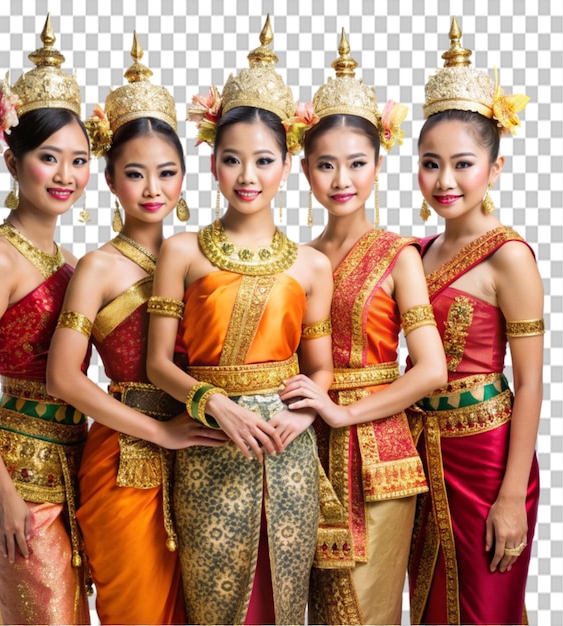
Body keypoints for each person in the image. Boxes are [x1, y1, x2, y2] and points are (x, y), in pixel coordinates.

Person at [146, 16, 334, 625]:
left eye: (263, 161)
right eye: (232, 160)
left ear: (287, 166)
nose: (247, 177)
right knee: (215, 606)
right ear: (213, 165)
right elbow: (157, 362)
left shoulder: (311, 264)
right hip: (207, 446)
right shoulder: (181, 250)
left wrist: (304, 412)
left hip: (289, 450)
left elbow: (321, 367)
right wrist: (214, 403)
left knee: (284, 603)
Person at [45, 33, 228, 625]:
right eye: (135, 174)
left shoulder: (206, 255)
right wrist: (160, 432)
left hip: (208, 446)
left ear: (185, 177)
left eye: (167, 172)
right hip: (123, 456)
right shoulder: (98, 267)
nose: (153, 190)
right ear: (109, 181)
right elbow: (63, 380)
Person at [278, 30, 447, 625]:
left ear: (378, 165)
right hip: (306, 448)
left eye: (356, 163)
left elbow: (431, 368)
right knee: (312, 609)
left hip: (380, 455)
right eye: (326, 164)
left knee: (365, 613)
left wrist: (347, 411)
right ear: (304, 170)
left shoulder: (398, 253)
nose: (341, 178)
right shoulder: (296, 257)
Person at [0, 15, 92, 625]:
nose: (65, 175)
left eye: (79, 160)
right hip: (21, 474)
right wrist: (1, 490)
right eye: (48, 157)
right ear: (14, 163)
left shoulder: (72, 260)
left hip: (75, 460)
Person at [407, 18, 542, 625]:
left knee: (486, 611)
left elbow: (532, 381)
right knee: (430, 606)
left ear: (495, 166)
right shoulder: (416, 250)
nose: (445, 181)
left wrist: (511, 494)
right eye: (431, 164)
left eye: (462, 164)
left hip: (486, 459)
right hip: (418, 452)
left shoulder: (508, 256)